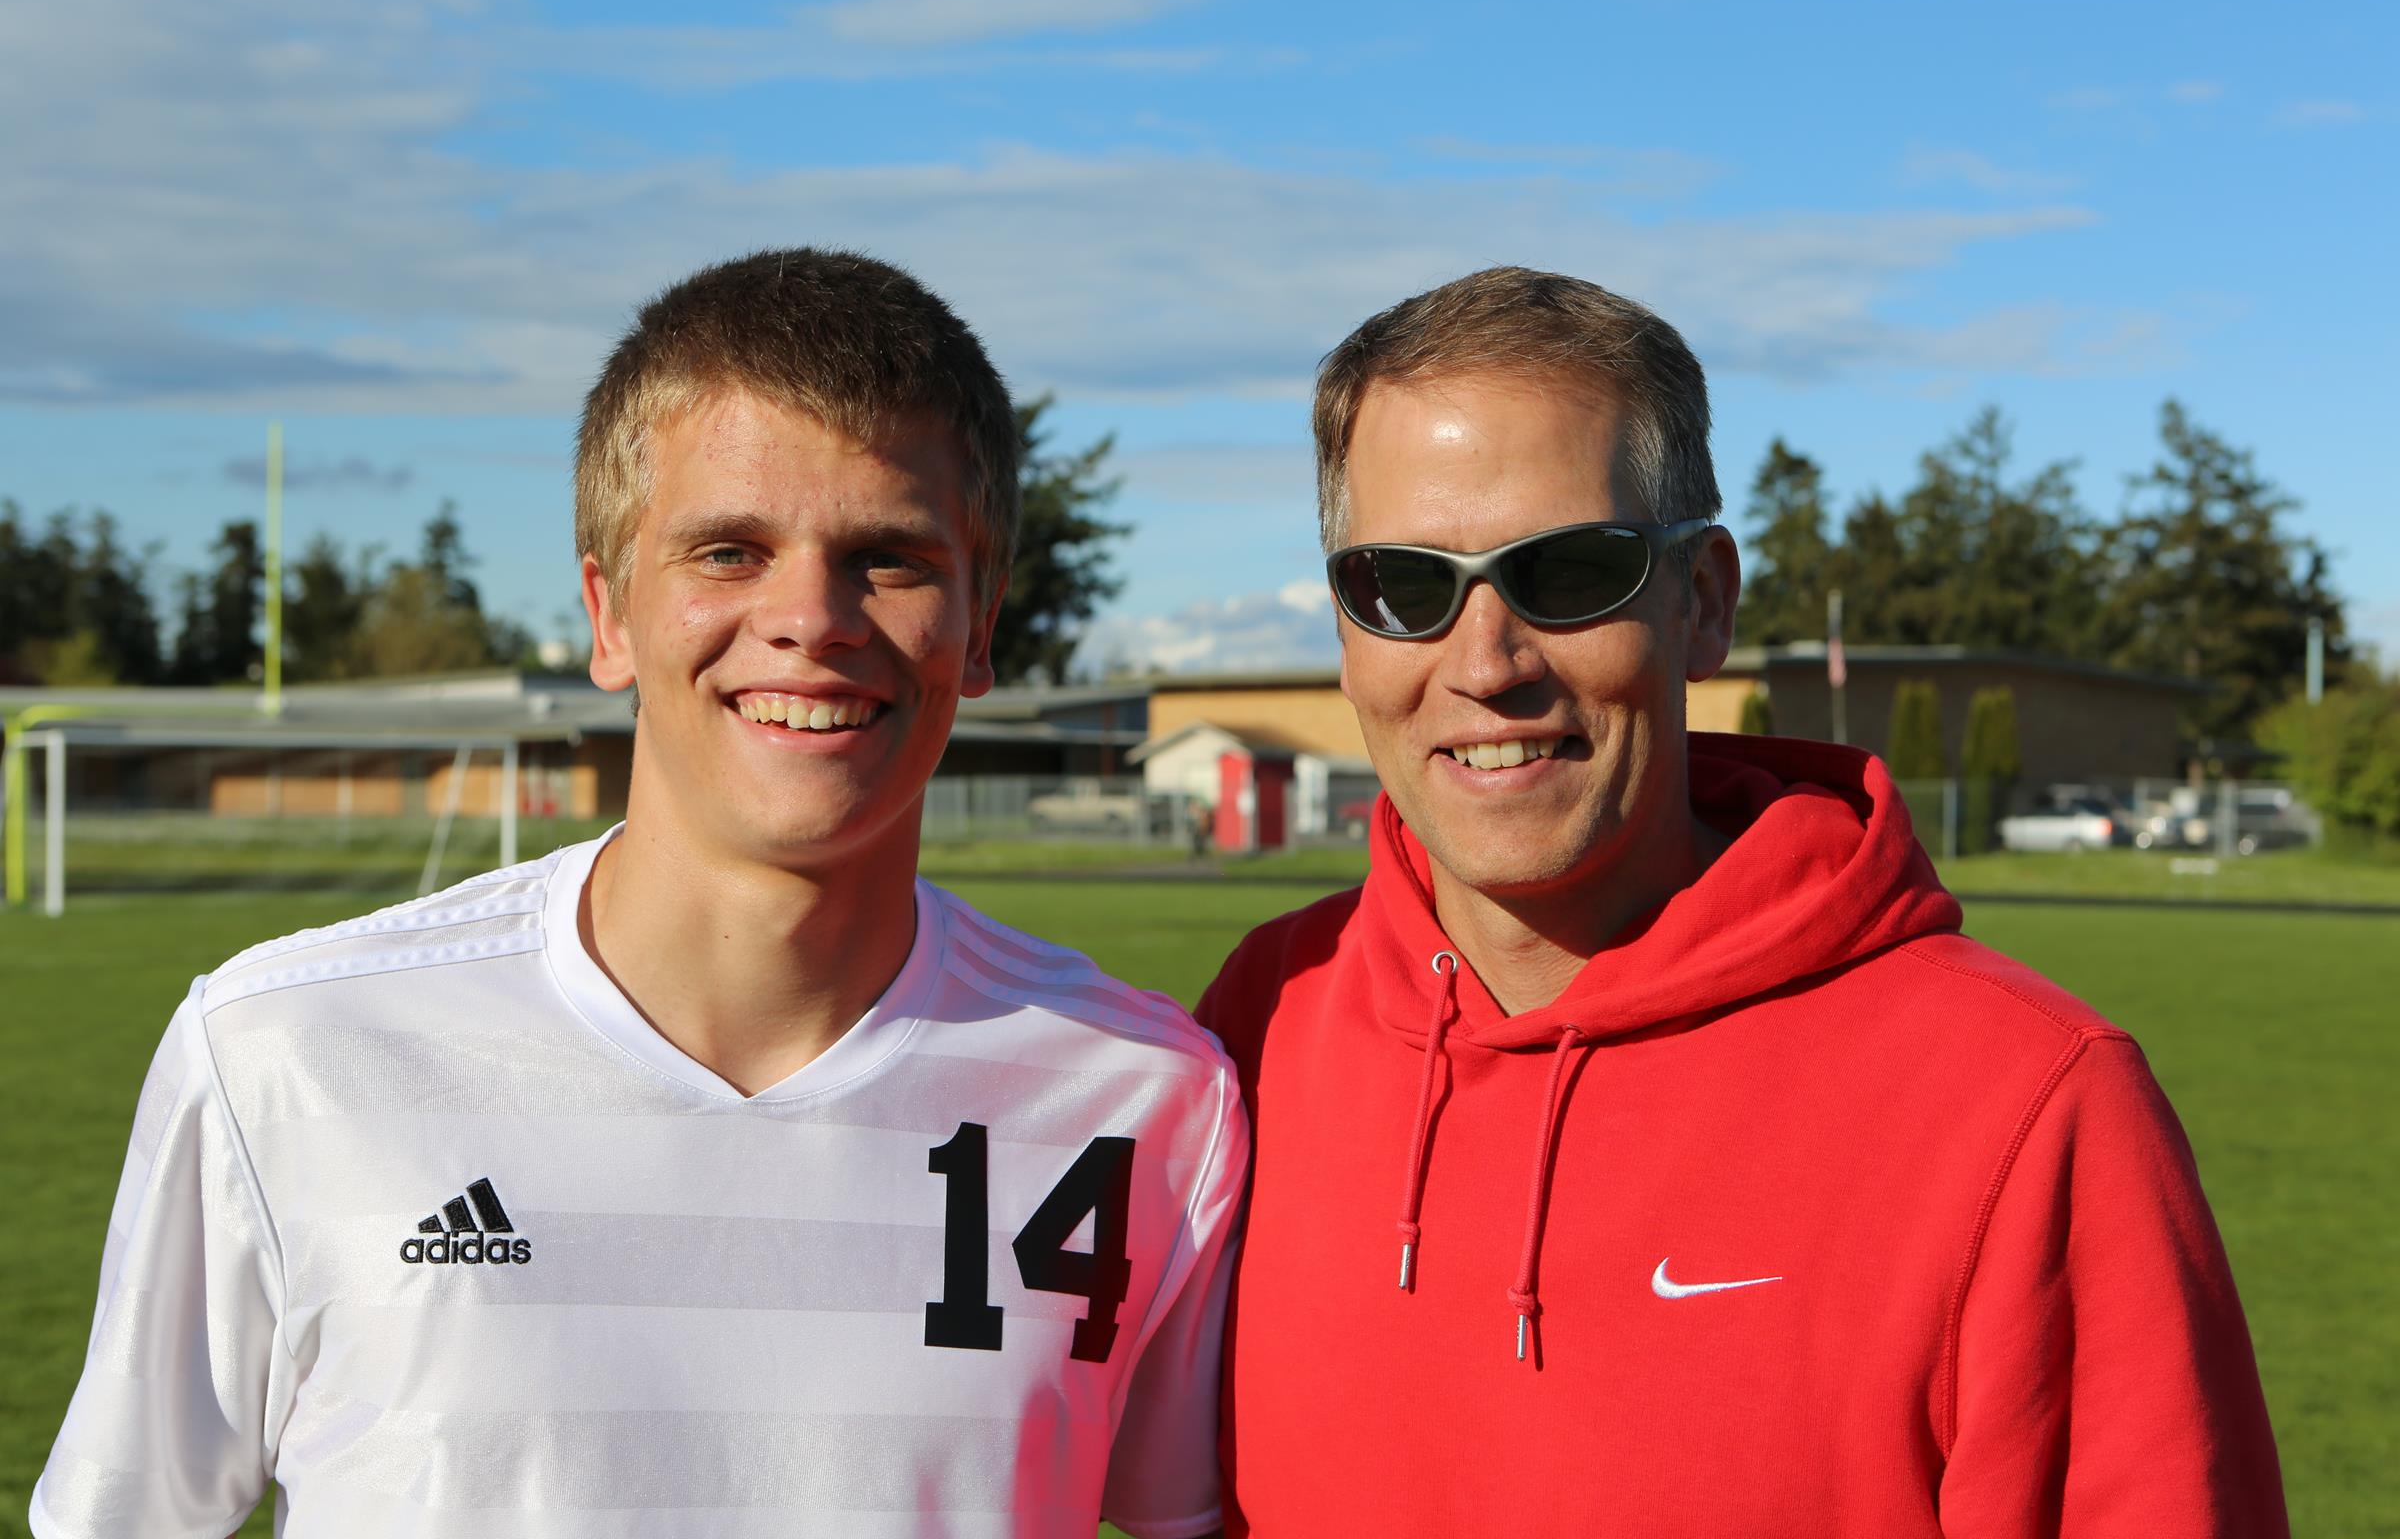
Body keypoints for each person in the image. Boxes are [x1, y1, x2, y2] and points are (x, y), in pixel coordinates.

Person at [32, 249, 1245, 1539]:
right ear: (608, 615)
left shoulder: (1149, 1094)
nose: (810, 618)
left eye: (888, 558)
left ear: (982, 619)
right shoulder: (283, 1051)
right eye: (728, 550)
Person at [1195, 266, 2286, 1535]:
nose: (1485, 662)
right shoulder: (1256, 1027)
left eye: (1568, 571)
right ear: (1347, 631)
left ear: (1702, 602)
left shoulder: (2031, 1101)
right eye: (1405, 583)